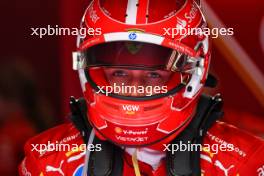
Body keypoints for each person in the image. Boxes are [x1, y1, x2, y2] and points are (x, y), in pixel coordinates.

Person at [19, 0, 264, 176]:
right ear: (89, 70)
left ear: (194, 72)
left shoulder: (242, 164)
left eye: (153, 74)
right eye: (120, 72)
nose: (135, 87)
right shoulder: (50, 161)